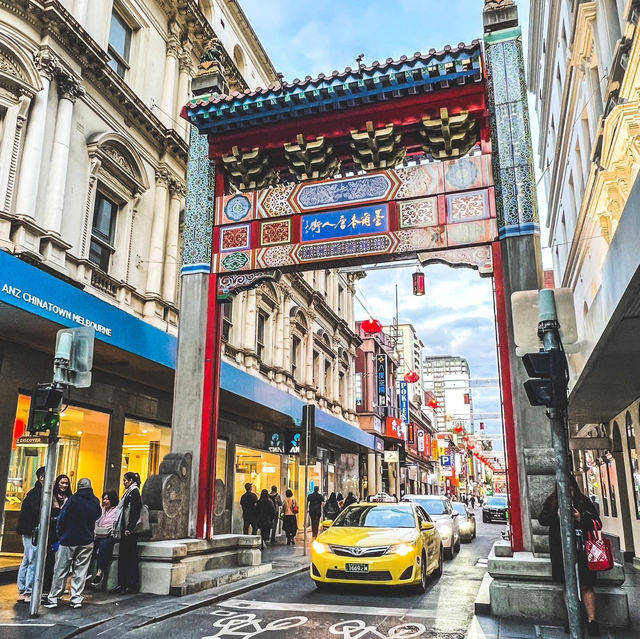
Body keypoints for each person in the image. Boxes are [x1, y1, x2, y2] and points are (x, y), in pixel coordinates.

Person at [538, 477, 602, 637]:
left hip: (583, 549)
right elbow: (542, 519)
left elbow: (598, 523)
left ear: (575, 488)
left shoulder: (584, 502)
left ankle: (592, 620)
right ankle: (574, 617)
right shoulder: (552, 502)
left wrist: (580, 518)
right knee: (567, 584)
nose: (568, 493)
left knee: (586, 584)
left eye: (571, 489)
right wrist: (558, 516)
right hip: (561, 550)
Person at [43, 478, 101, 609]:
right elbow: (98, 515)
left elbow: (62, 518)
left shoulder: (73, 500)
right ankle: (76, 599)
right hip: (87, 540)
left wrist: (60, 534)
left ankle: (54, 598)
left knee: (61, 569)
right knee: (81, 571)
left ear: (78, 486)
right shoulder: (95, 501)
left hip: (69, 539)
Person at [110, 472, 143, 594]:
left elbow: (135, 510)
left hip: (129, 531)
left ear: (130, 481)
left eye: (125, 480)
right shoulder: (129, 492)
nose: (123, 482)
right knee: (123, 557)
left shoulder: (134, 492)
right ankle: (122, 583)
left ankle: (130, 584)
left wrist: (130, 527)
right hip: (124, 529)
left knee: (129, 557)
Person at [16, 466, 45, 603]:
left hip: (28, 529)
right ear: (41, 477)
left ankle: (22, 589)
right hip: (32, 530)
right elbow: (37, 512)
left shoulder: (35, 492)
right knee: (32, 559)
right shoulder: (37, 494)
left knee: (27, 559)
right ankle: (28, 590)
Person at [44, 474, 73, 590]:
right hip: (50, 531)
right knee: (50, 559)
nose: (64, 485)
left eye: (66, 483)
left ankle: (58, 586)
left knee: (61, 561)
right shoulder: (51, 496)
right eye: (62, 483)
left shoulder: (70, 497)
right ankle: (47, 585)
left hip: (63, 532)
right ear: (57, 483)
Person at [89, 490, 119, 588]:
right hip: (98, 534)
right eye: (104, 499)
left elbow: (115, 524)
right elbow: (96, 521)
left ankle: (99, 572)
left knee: (104, 546)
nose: (104, 501)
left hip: (109, 535)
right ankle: (88, 571)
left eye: (107, 499)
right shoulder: (101, 510)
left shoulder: (116, 511)